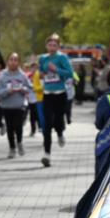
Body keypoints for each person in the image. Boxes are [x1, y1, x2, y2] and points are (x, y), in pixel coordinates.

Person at [38, 33, 74, 167]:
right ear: (46, 46)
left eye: (55, 45)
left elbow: (70, 74)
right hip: (48, 94)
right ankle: (46, 154)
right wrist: (42, 74)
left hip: (60, 94)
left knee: (59, 120)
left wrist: (57, 70)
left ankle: (60, 133)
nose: (52, 47)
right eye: (50, 44)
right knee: (47, 125)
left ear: (58, 46)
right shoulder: (42, 58)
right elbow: (41, 72)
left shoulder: (62, 57)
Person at [0, 53, 34, 158]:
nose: (13, 62)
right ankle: (12, 148)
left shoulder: (22, 75)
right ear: (7, 62)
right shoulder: (2, 76)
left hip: (19, 105)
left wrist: (22, 90)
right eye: (11, 59)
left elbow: (30, 88)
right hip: (7, 106)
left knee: (18, 126)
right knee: (10, 128)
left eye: (15, 60)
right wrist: (7, 91)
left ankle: (19, 143)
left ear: (19, 62)